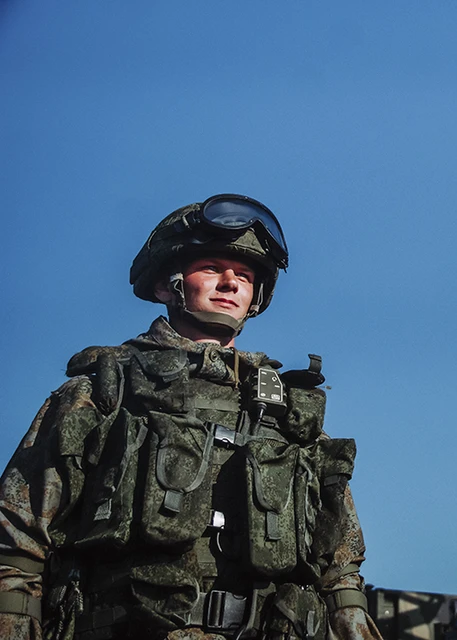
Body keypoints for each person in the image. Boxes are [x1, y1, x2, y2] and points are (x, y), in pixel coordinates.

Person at [0, 194, 383, 640]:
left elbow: (339, 570)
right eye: (212, 269)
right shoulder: (106, 392)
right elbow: (18, 542)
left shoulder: (288, 415)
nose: (230, 284)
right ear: (168, 285)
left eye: (243, 276)